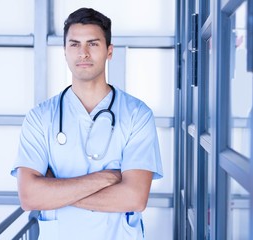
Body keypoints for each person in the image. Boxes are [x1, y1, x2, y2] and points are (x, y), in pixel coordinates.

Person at [11, 7, 163, 240]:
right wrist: (109, 177)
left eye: (92, 44)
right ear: (64, 52)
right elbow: (30, 198)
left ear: (109, 51)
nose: (83, 53)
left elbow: (134, 198)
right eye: (74, 44)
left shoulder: (137, 115)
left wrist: (55, 190)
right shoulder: (40, 117)